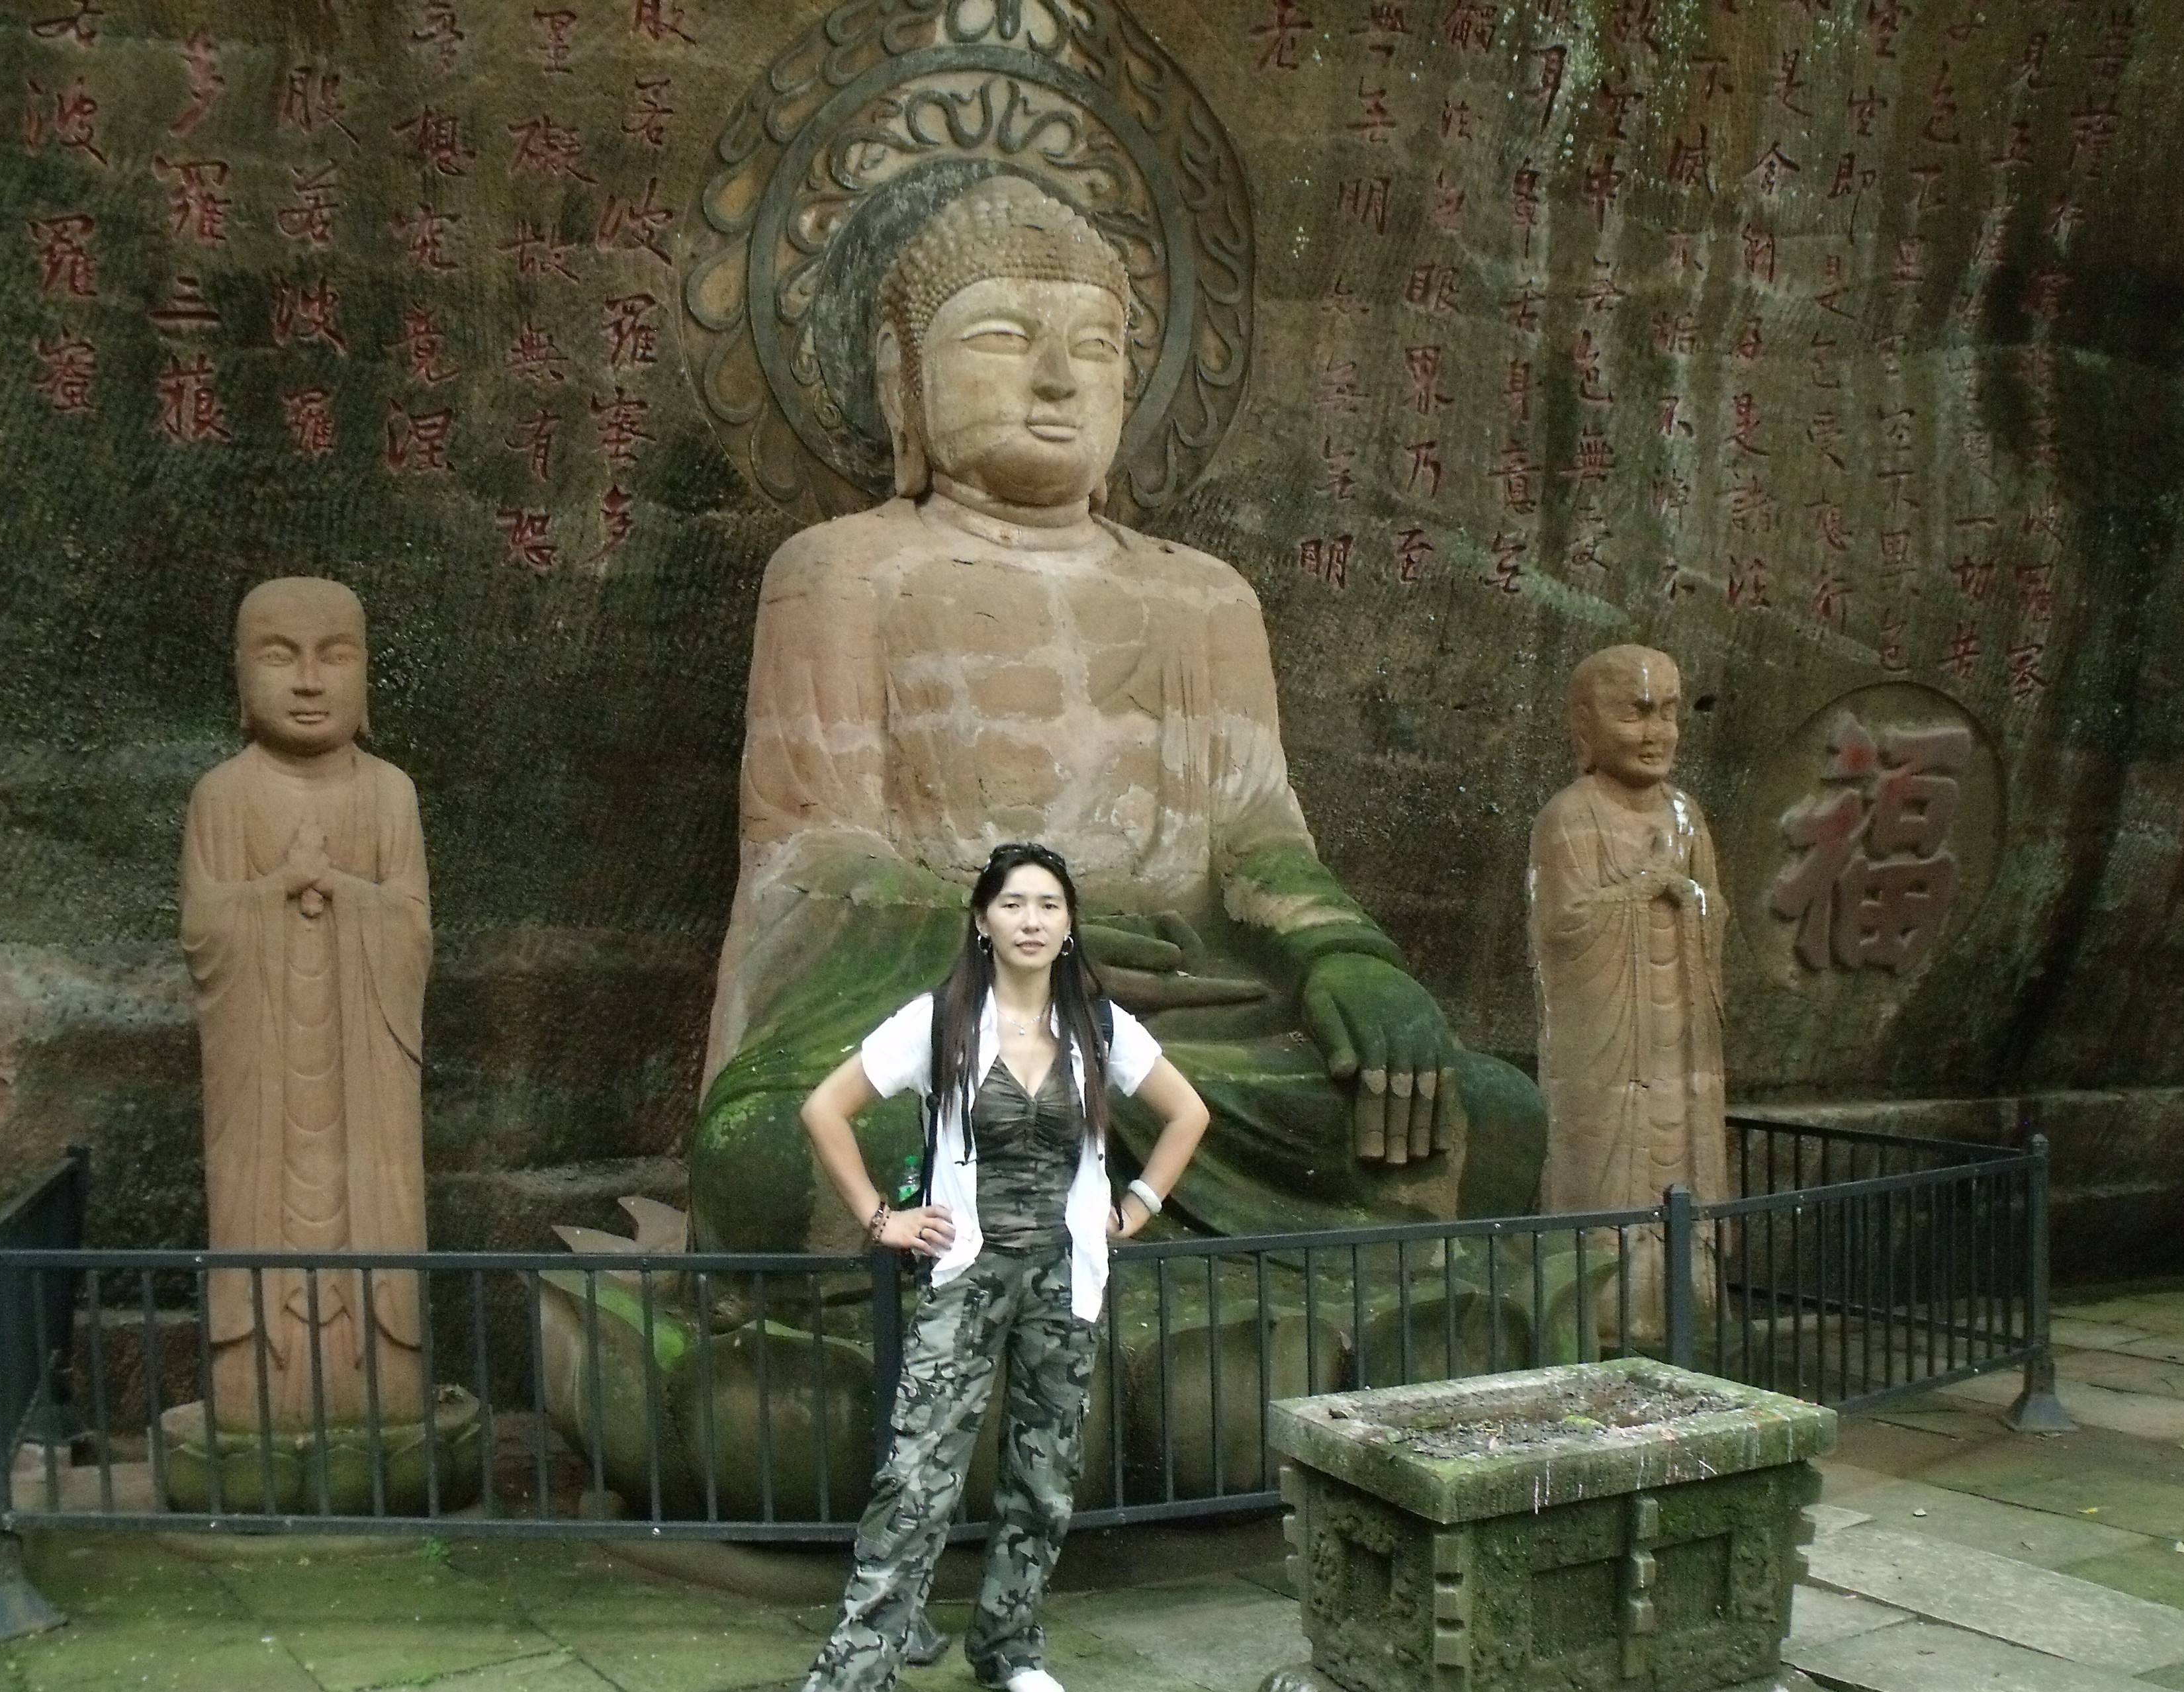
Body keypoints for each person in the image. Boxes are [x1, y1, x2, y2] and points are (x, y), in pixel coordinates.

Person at [694, 173, 1541, 1263]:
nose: (1056, 379)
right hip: (953, 1025)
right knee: (775, 1157)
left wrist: (1346, 958)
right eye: (1003, 339)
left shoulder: (1204, 596)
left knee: (1488, 1117)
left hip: (1193, 1030)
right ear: (904, 383)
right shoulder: (840, 573)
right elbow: (809, 858)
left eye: (1094, 348)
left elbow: (1258, 837)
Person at [756, 842, 1208, 1692]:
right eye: (1013, 904)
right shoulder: (941, 1021)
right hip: (966, 1274)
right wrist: (880, 1217)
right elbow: (824, 1108)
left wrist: (1137, 1205)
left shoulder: (1098, 1025)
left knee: (1044, 1473)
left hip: (1065, 1278)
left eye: (1048, 905)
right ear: (982, 920)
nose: (1031, 920)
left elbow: (1188, 1113)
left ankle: (1009, 1647)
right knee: (918, 1473)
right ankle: (843, 1690)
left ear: (1069, 924)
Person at [182, 577, 432, 1428]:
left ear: (365, 677)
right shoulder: (223, 795)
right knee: (254, 1209)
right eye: (280, 657)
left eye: (335, 656)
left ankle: (384, 1391)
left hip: (368, 1080)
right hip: (259, 1081)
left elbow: (414, 932)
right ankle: (254, 1397)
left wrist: (345, 892)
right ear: (240, 676)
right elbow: (203, 935)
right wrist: (279, 889)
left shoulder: (389, 793)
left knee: (381, 1213)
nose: (310, 681)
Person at [1527, 645, 1726, 1339]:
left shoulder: (1686, 815)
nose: (1656, 733)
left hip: (1683, 1047)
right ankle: (1606, 1311)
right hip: (1609, 1049)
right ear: (1586, 726)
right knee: (1607, 1169)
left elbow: (1716, 910)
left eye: (1668, 713)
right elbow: (1563, 928)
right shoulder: (1571, 817)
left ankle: (1691, 1301)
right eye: (1636, 713)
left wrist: (1690, 900)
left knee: (1688, 1158)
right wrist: (1642, 892)